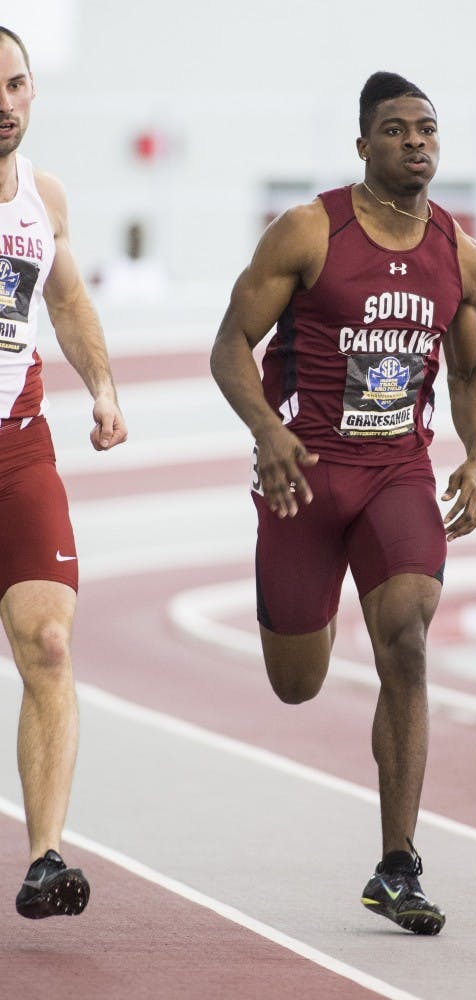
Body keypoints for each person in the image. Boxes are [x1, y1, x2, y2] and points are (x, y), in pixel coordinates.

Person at [210, 71, 476, 935]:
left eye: (428, 129)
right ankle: (320, 602)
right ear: (363, 144)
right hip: (304, 475)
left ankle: (396, 864)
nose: (416, 142)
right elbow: (229, 346)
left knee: (405, 638)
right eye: (397, 129)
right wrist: (266, 430)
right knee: (298, 684)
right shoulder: (309, 231)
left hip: (396, 474)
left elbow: (473, 369)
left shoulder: (461, 254)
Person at [0, 26, 127, 917]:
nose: (3, 104)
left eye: (14, 85)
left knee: (48, 642)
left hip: (20, 448)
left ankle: (46, 857)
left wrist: (104, 389)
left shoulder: (41, 196)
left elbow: (68, 298)